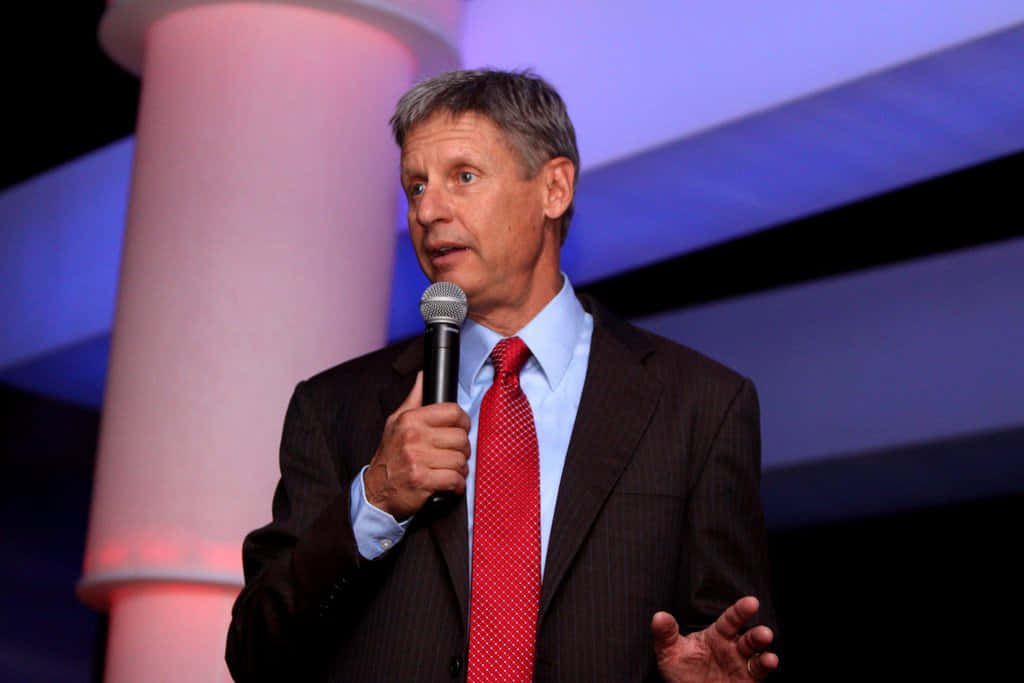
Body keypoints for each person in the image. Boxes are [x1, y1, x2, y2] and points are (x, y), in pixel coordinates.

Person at [226, 69, 779, 682]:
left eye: (463, 177)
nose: (428, 211)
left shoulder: (701, 405)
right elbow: (255, 653)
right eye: (415, 187)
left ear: (554, 189)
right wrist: (375, 500)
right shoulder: (332, 409)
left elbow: (721, 647)